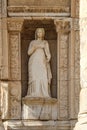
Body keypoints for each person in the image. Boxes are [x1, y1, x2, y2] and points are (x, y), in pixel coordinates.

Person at [27, 28, 52, 97]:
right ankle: (34, 92)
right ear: (36, 33)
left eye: (40, 32)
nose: (39, 33)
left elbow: (48, 53)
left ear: (43, 33)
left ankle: (44, 93)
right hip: (34, 61)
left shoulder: (45, 42)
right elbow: (29, 53)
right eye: (38, 32)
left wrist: (48, 58)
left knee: (43, 75)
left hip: (42, 61)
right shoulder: (32, 42)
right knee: (35, 76)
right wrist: (35, 47)